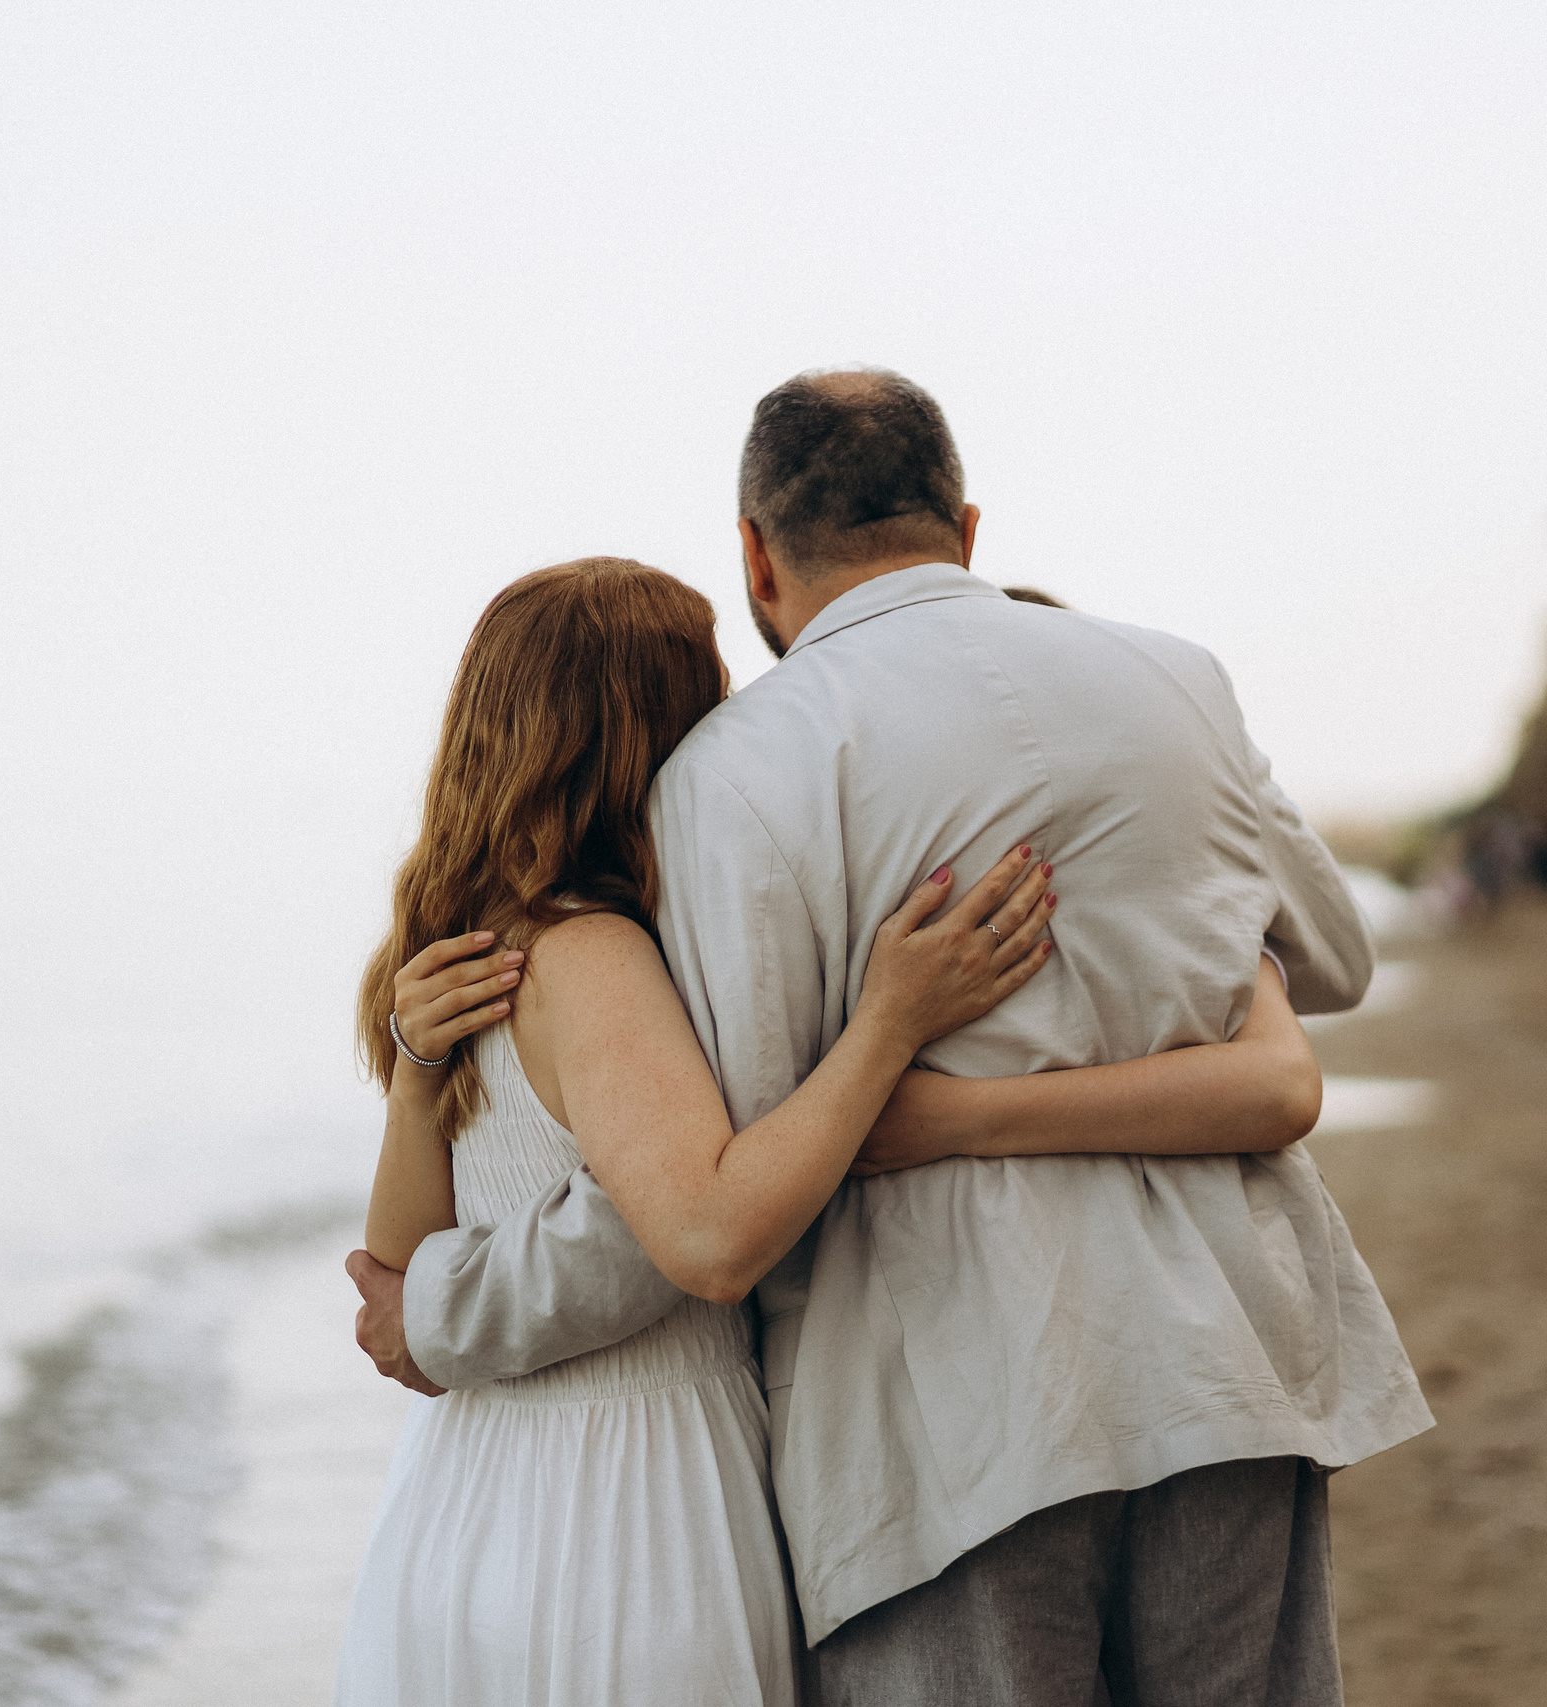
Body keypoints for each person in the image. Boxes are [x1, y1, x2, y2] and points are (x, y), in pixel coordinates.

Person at [351, 370, 1433, 1705]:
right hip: (1230, 1359)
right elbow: (1332, 949)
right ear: (965, 528)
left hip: (953, 1419)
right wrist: (1235, 1028)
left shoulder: (742, 768)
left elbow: (701, 1205)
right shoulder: (1178, 679)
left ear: (756, 554)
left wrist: (439, 1309)